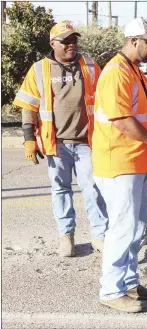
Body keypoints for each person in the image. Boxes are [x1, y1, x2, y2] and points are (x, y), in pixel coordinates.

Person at [92, 17, 147, 313]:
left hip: (136, 161)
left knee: (136, 227)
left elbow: (143, 118)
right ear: (134, 41)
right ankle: (111, 290)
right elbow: (123, 122)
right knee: (122, 227)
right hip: (118, 161)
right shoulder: (116, 72)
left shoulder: (133, 70)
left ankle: (128, 282)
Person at [13, 21, 108, 257]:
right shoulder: (39, 69)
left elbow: (106, 98)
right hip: (57, 144)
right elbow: (29, 106)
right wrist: (28, 139)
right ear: (53, 43)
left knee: (94, 189)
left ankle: (100, 236)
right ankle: (66, 236)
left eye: (74, 40)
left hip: (88, 141)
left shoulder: (89, 65)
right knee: (60, 190)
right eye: (65, 41)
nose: (71, 45)